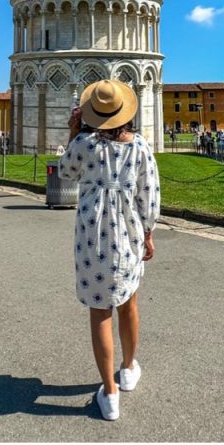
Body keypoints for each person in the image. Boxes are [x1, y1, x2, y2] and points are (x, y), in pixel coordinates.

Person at [60, 79, 160, 421]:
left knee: (100, 311)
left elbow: (65, 172)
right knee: (129, 302)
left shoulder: (85, 145)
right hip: (129, 233)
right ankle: (128, 368)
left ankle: (110, 392)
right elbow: (150, 195)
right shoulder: (141, 147)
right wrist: (148, 233)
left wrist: (74, 131)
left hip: (92, 236)